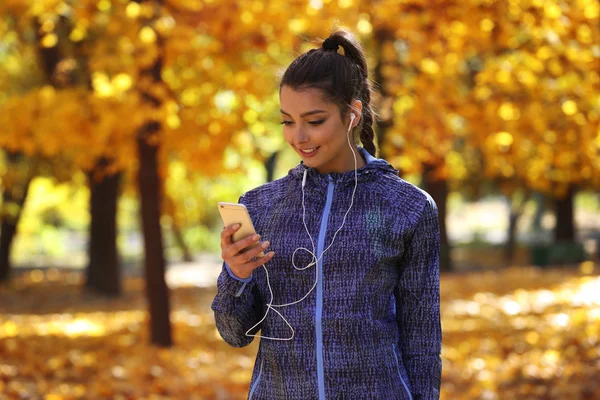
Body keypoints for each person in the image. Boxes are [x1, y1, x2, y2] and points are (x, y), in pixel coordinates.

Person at [211, 28, 441, 400]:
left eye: (314, 121)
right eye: (287, 121)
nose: (298, 137)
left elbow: (422, 338)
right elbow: (235, 334)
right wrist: (236, 276)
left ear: (352, 114)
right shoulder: (261, 206)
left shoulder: (407, 207)